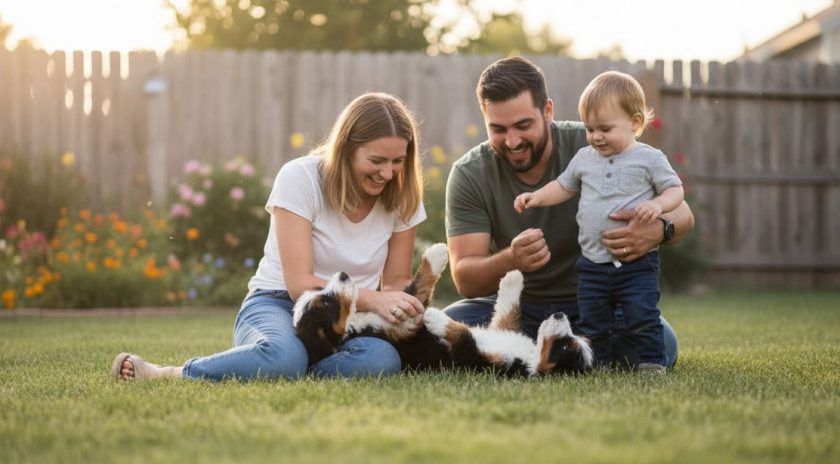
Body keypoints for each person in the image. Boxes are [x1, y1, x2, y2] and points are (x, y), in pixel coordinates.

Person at [112, 92, 427, 381]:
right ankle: (170, 373)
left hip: (350, 317)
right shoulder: (301, 178)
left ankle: (289, 365)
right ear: (345, 150)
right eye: (376, 161)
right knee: (282, 357)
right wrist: (375, 298)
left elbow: (396, 280)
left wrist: (405, 307)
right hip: (278, 303)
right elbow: (299, 284)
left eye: (397, 161)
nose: (387, 173)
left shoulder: (402, 196)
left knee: (381, 360)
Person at [444, 56, 695, 369]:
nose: (512, 141)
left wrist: (658, 230)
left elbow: (683, 214)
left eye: (523, 125)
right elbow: (466, 279)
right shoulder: (471, 173)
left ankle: (533, 354)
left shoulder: (595, 142)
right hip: (516, 309)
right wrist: (512, 260)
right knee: (443, 330)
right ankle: (556, 354)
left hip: (594, 301)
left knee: (663, 346)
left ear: (548, 111)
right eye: (498, 129)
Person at [513, 71, 684, 373]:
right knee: (592, 319)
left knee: (641, 314)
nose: (596, 136)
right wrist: (536, 197)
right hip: (592, 263)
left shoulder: (650, 158)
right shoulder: (584, 157)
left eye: (605, 128)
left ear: (635, 122)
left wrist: (657, 206)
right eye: (590, 129)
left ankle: (652, 362)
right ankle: (599, 363)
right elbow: (564, 186)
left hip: (636, 264)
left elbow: (675, 190)